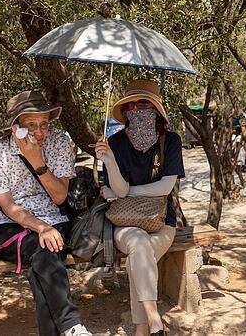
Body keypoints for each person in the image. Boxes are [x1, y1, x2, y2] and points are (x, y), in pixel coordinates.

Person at [0, 91, 91, 336]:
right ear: (14, 128)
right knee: (45, 249)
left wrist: (36, 160)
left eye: (44, 125)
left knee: (43, 256)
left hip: (54, 219)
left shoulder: (59, 143)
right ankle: (72, 325)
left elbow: (60, 196)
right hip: (10, 224)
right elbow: (8, 206)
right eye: (31, 126)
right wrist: (41, 227)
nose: (40, 133)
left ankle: (68, 328)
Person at [95, 79, 185, 336]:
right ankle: (155, 321)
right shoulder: (115, 143)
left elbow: (165, 187)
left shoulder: (171, 141)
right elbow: (119, 190)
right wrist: (110, 160)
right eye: (130, 105)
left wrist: (125, 192)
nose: (136, 109)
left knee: (139, 254)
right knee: (138, 244)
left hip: (161, 224)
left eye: (143, 103)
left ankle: (142, 328)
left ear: (156, 109)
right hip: (125, 225)